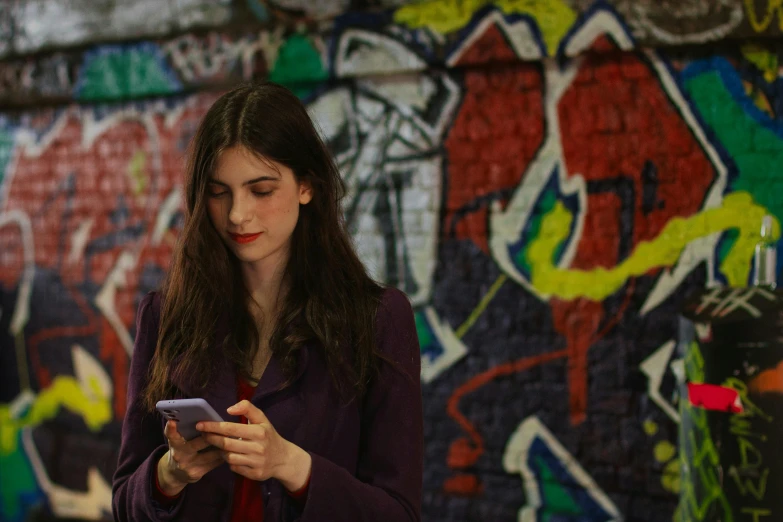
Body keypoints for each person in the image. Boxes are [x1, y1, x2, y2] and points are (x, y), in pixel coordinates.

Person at [111, 82, 423, 522]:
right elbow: (125, 503)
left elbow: (400, 513)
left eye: (261, 190)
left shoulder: (377, 320)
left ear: (307, 187)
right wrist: (170, 473)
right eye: (219, 192)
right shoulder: (165, 316)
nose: (238, 214)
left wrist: (292, 467)